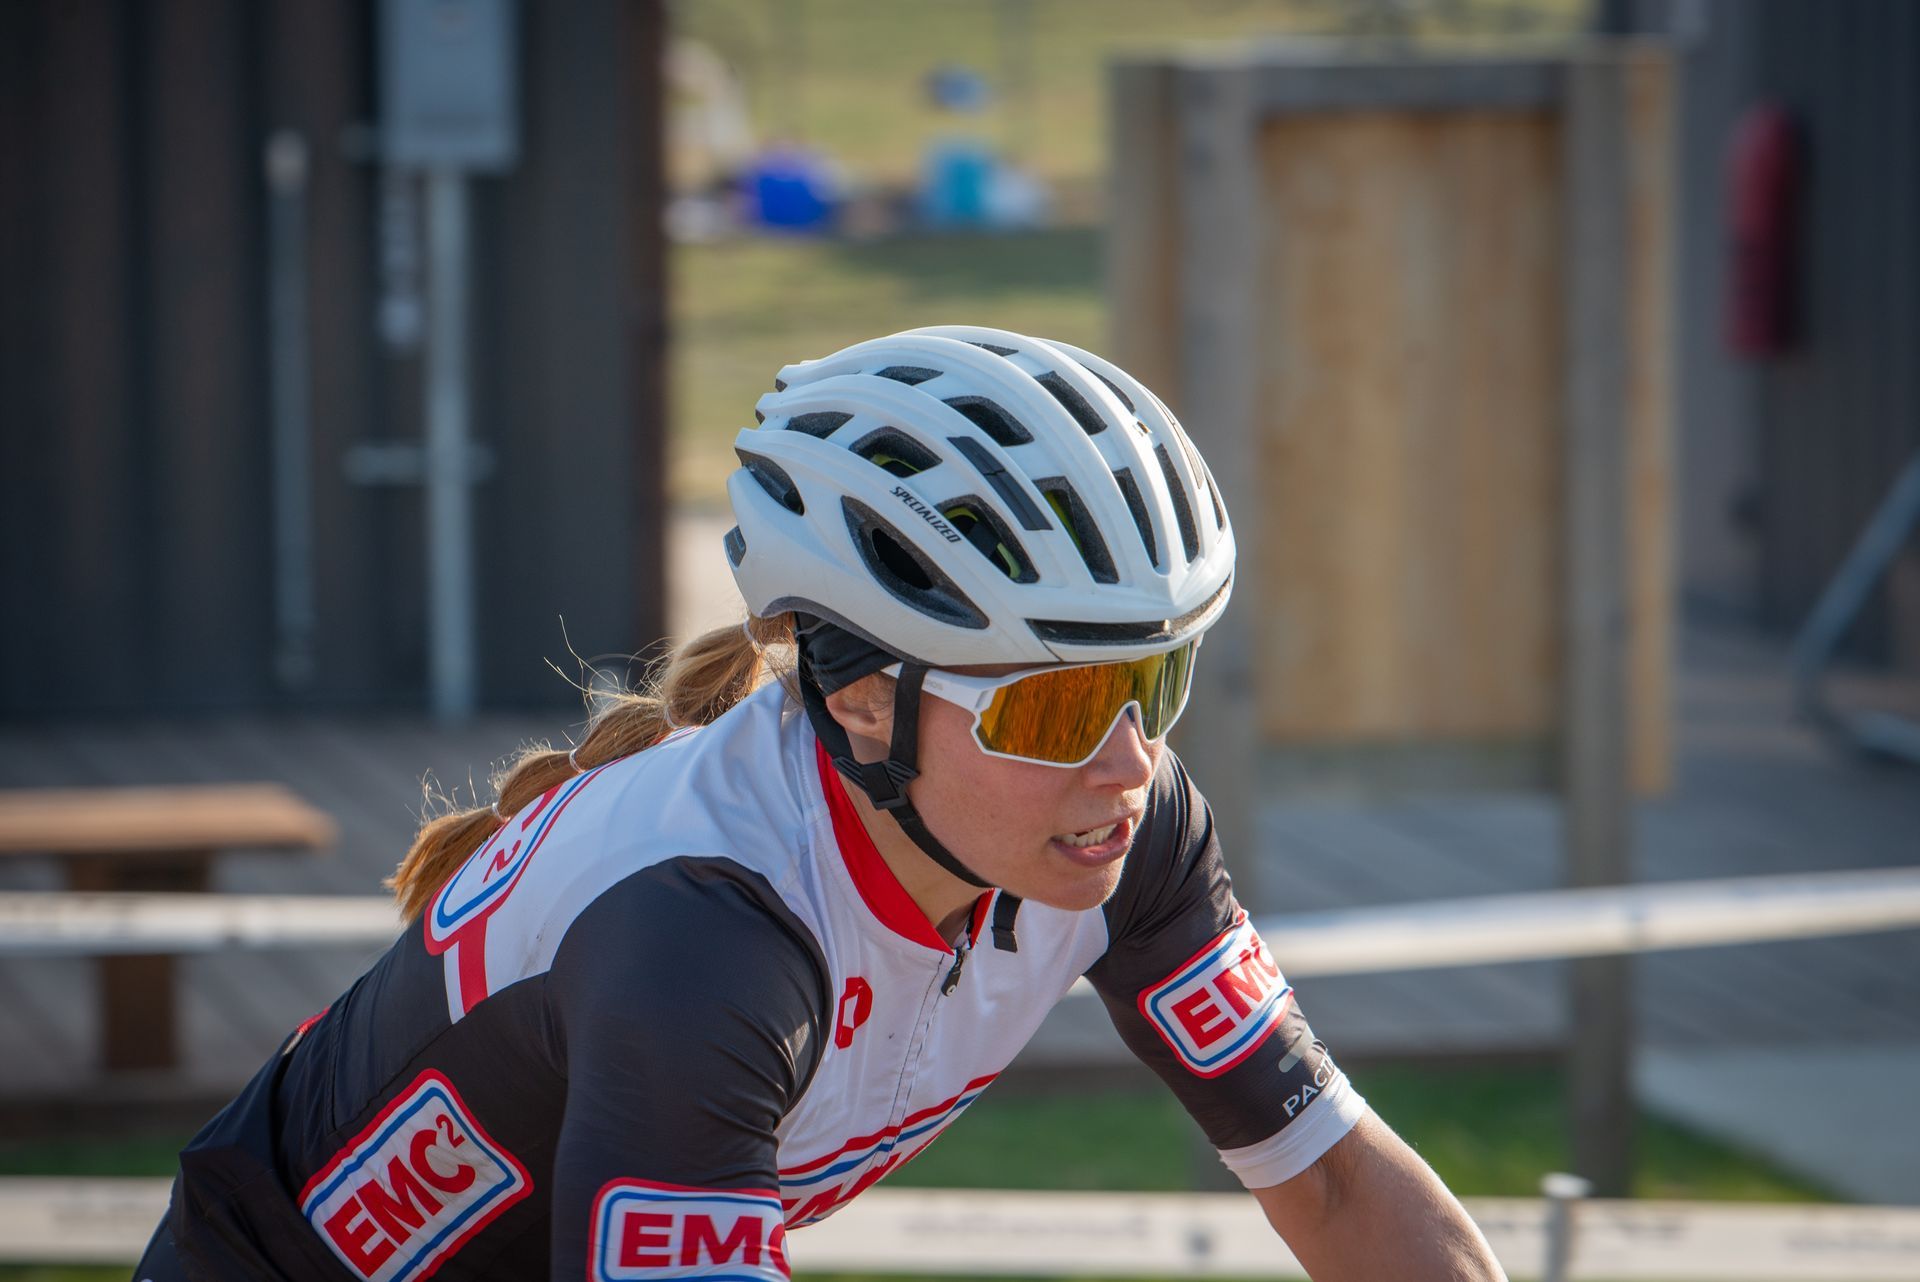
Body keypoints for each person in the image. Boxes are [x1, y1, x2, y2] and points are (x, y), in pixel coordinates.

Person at [135, 326, 1506, 1281]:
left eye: (1155, 677)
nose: (1128, 759)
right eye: (1052, 705)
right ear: (864, 702)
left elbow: (1330, 1184)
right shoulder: (703, 942)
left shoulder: (1118, 828)